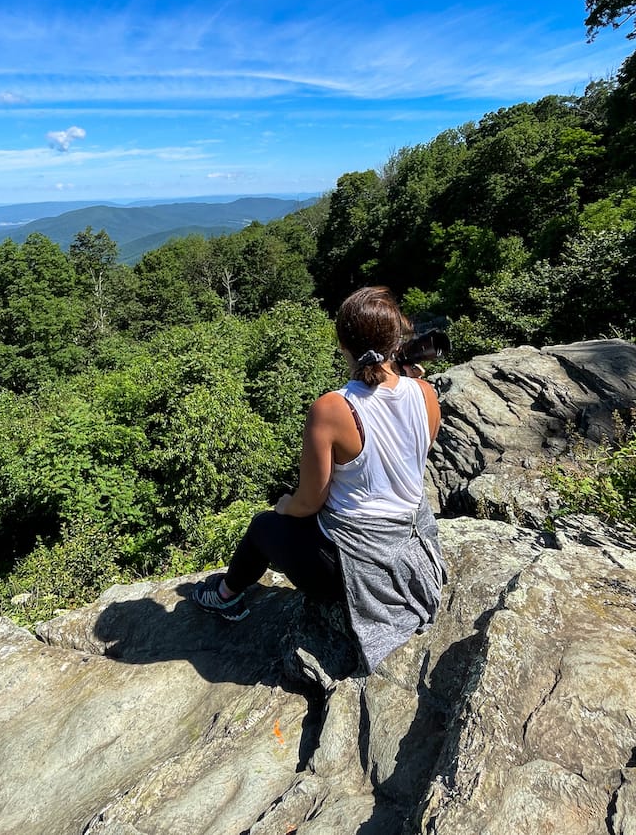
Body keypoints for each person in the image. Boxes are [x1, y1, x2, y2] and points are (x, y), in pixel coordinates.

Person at [191, 286, 446, 674]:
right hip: (411, 553)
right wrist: (407, 380)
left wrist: (283, 507)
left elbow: (310, 501)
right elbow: (410, 451)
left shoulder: (333, 408)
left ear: (342, 343)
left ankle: (225, 595)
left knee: (264, 526)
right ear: (398, 340)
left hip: (355, 570)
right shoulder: (426, 394)